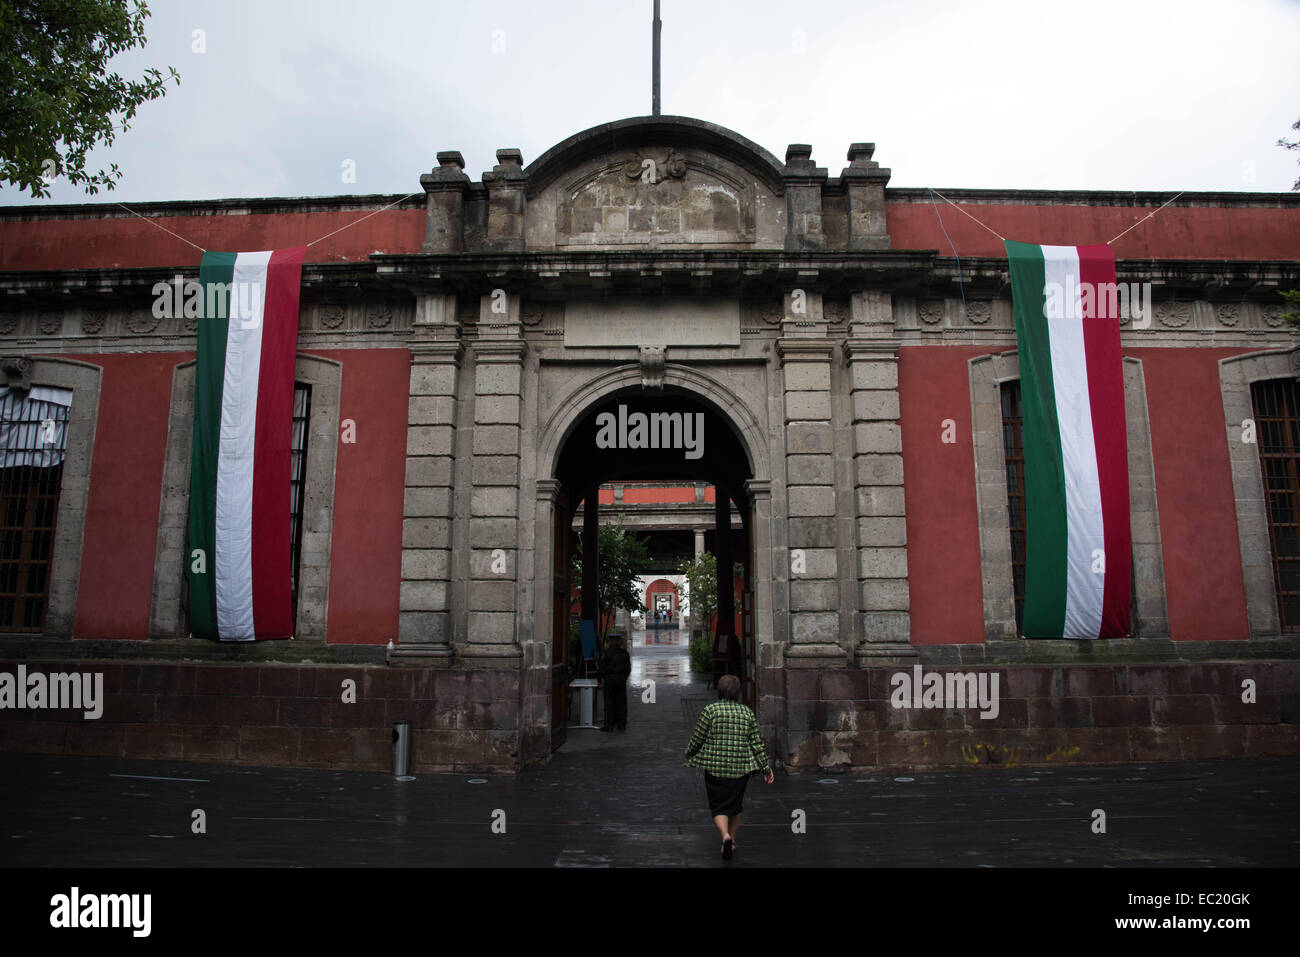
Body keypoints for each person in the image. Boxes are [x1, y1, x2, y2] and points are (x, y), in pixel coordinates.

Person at [683, 674, 773, 860]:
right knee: (735, 805)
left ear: (719, 691)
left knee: (718, 806)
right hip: (740, 768)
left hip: (715, 767)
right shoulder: (746, 712)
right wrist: (766, 767)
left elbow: (698, 737)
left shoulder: (710, 711)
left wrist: (689, 751)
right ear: (738, 692)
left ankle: (723, 835)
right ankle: (731, 839)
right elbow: (756, 743)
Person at [597, 635, 631, 732]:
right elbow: (628, 668)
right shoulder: (624, 653)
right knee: (621, 703)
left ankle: (609, 725)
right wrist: (624, 678)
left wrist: (600, 679)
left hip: (609, 681)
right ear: (619, 642)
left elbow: (601, 668)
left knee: (609, 703)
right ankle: (622, 724)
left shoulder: (606, 653)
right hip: (620, 680)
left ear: (610, 642)